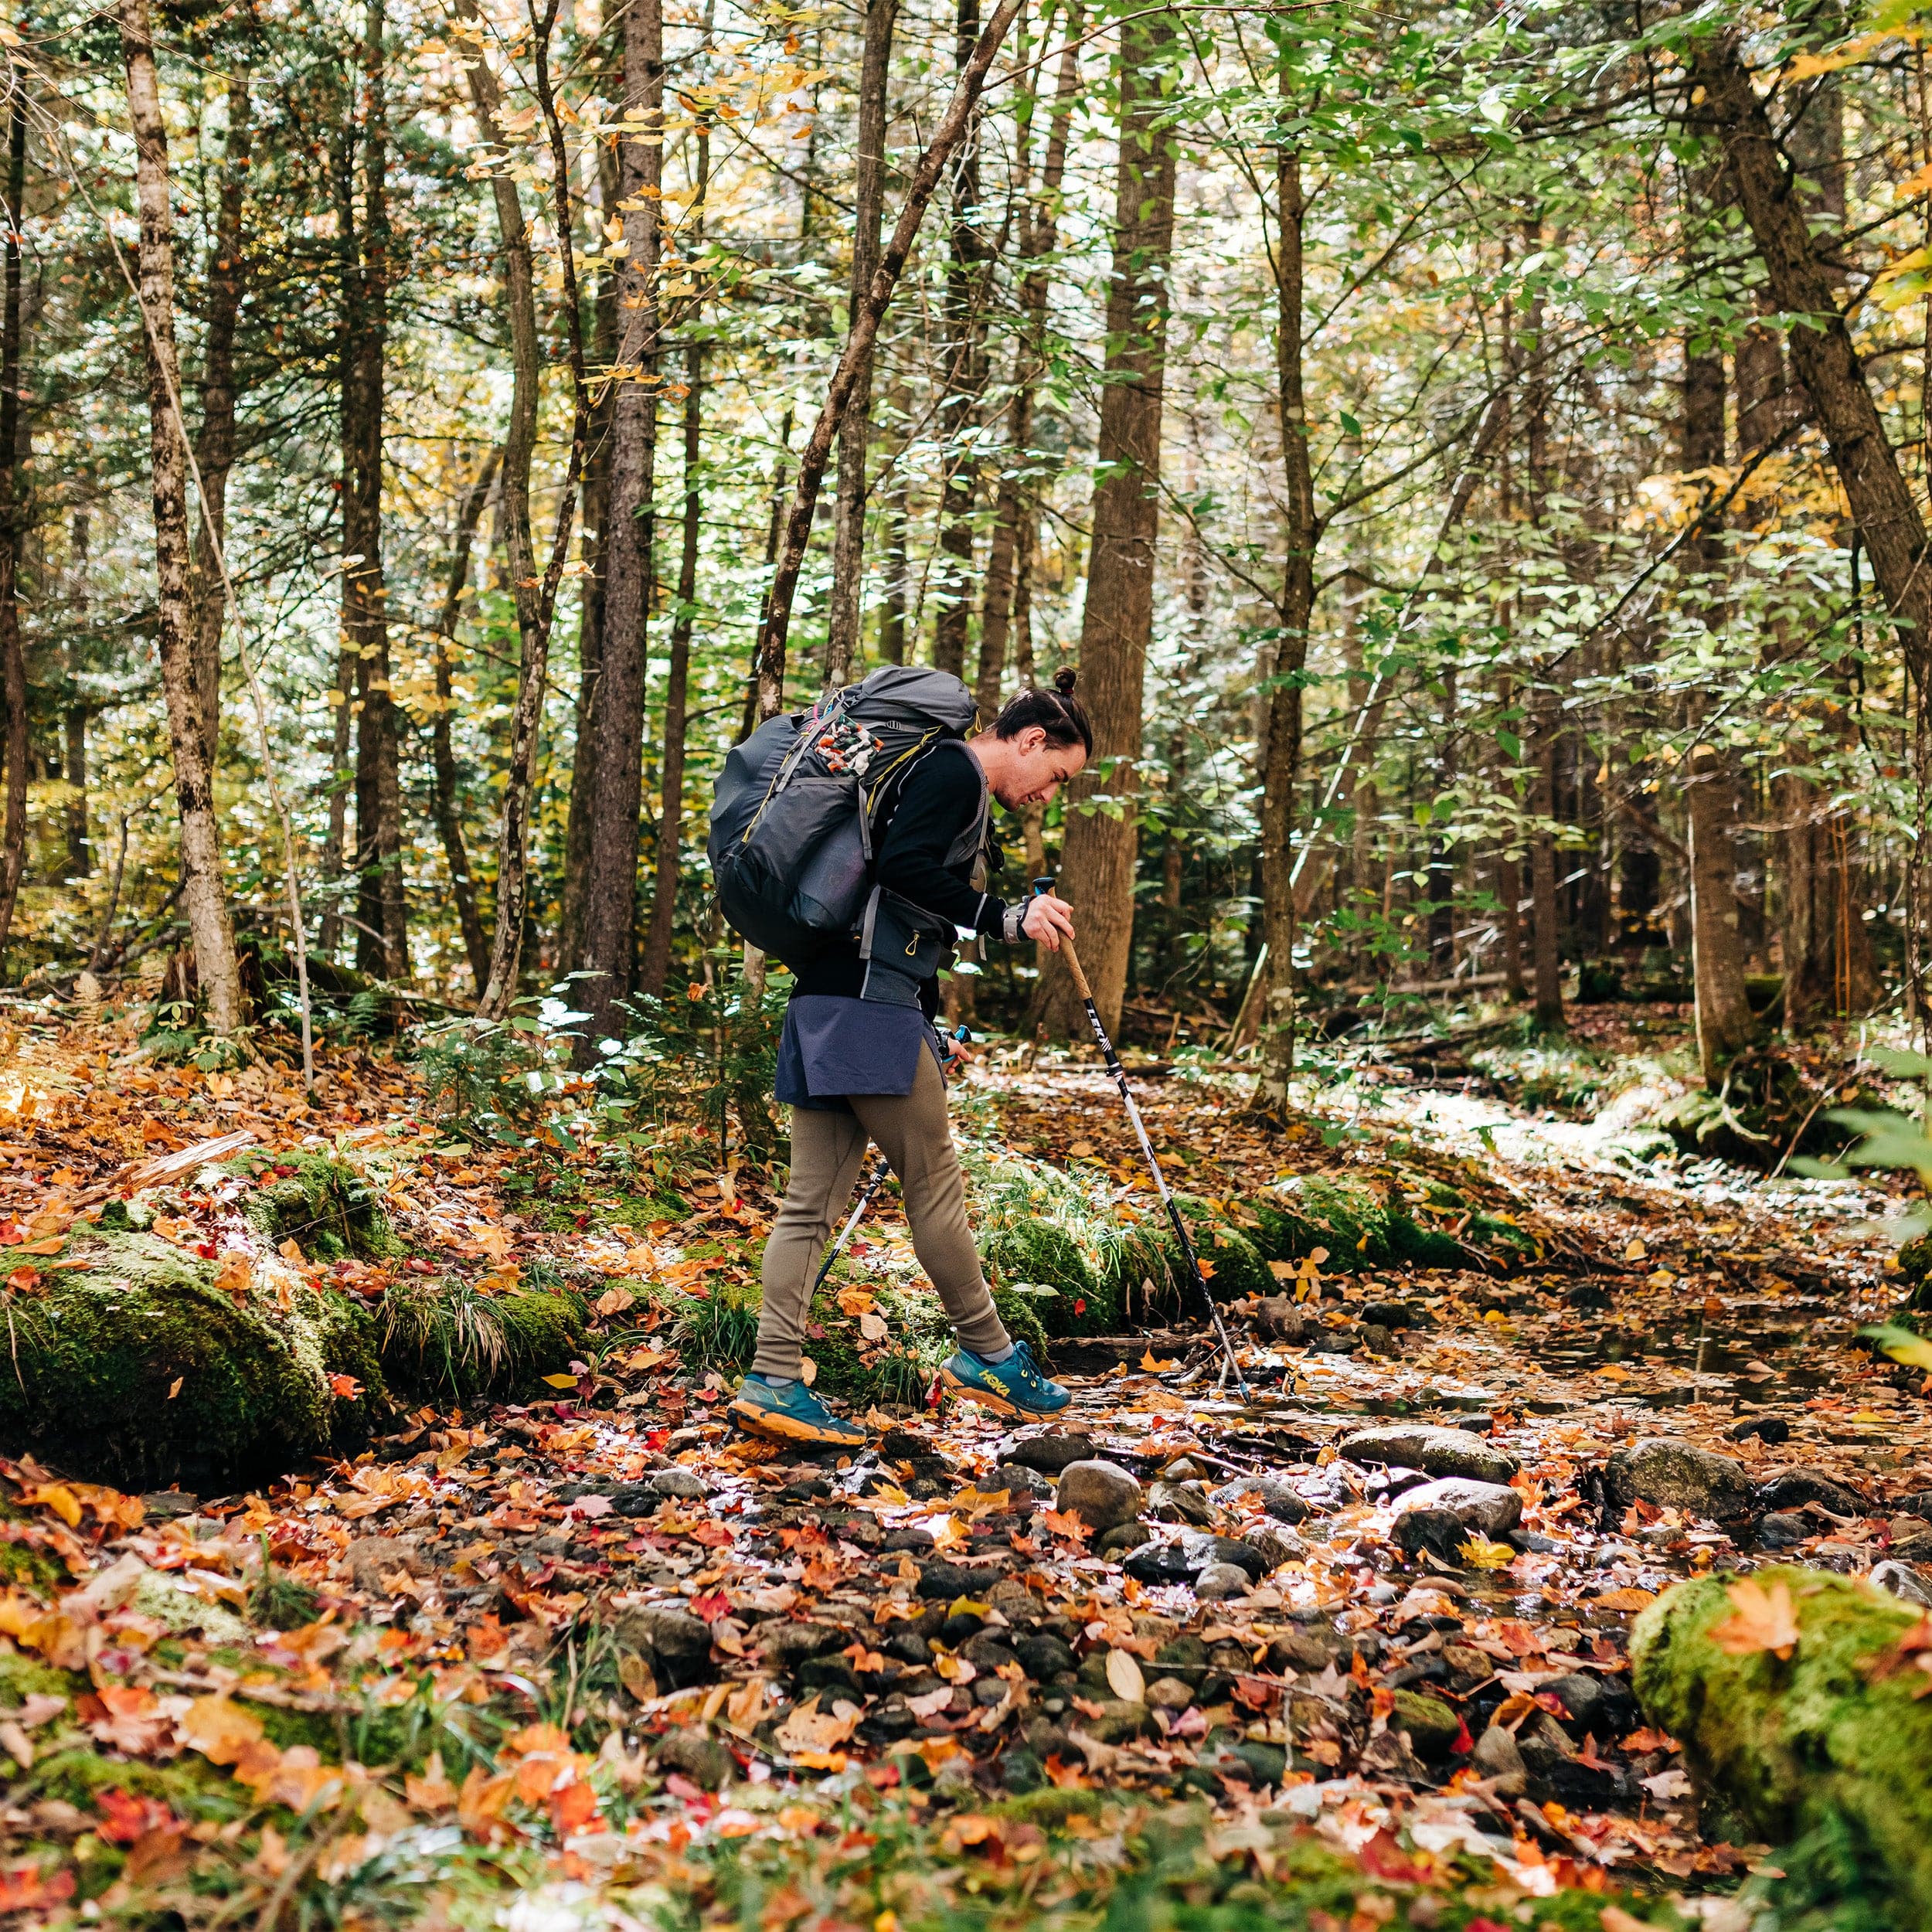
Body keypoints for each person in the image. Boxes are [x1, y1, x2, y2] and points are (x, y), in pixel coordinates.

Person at [729, 669, 1094, 1448]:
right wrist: (1004, 915)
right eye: (1055, 776)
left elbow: (887, 906)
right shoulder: (955, 771)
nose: (1047, 796)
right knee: (934, 1187)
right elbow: (904, 868)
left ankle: (771, 1380)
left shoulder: (926, 771)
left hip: (828, 1001)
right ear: (1030, 741)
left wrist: (925, 1022)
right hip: (866, 1009)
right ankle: (989, 1354)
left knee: (806, 1204)